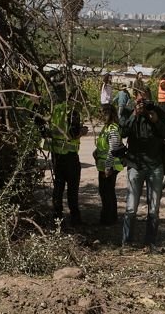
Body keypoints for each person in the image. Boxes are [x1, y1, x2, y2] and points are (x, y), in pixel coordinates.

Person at [119, 98, 165, 251]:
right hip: (135, 165)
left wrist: (156, 121)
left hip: (155, 164)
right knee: (131, 207)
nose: (142, 104)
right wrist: (134, 114)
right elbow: (122, 132)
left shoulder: (157, 112)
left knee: (154, 209)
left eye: (144, 100)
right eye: (139, 101)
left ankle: (150, 243)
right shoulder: (130, 111)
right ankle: (127, 242)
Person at [47, 88, 86, 225]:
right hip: (69, 155)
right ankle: (75, 218)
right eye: (81, 100)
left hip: (56, 154)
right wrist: (82, 131)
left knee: (58, 186)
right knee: (72, 188)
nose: (82, 103)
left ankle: (57, 216)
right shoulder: (72, 112)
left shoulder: (56, 109)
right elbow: (73, 134)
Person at [94, 104, 124, 224]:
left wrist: (108, 167)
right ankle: (107, 217)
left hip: (110, 166)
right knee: (105, 192)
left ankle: (109, 218)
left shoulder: (112, 129)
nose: (101, 116)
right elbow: (103, 145)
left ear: (110, 114)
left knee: (107, 193)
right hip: (103, 165)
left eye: (104, 113)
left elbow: (113, 149)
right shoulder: (106, 128)